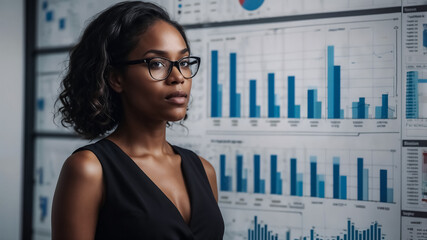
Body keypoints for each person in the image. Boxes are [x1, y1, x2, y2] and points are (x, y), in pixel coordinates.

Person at [51, 1, 224, 239]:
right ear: (116, 78)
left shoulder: (204, 170)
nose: (178, 77)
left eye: (183, 62)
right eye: (157, 64)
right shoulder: (89, 169)